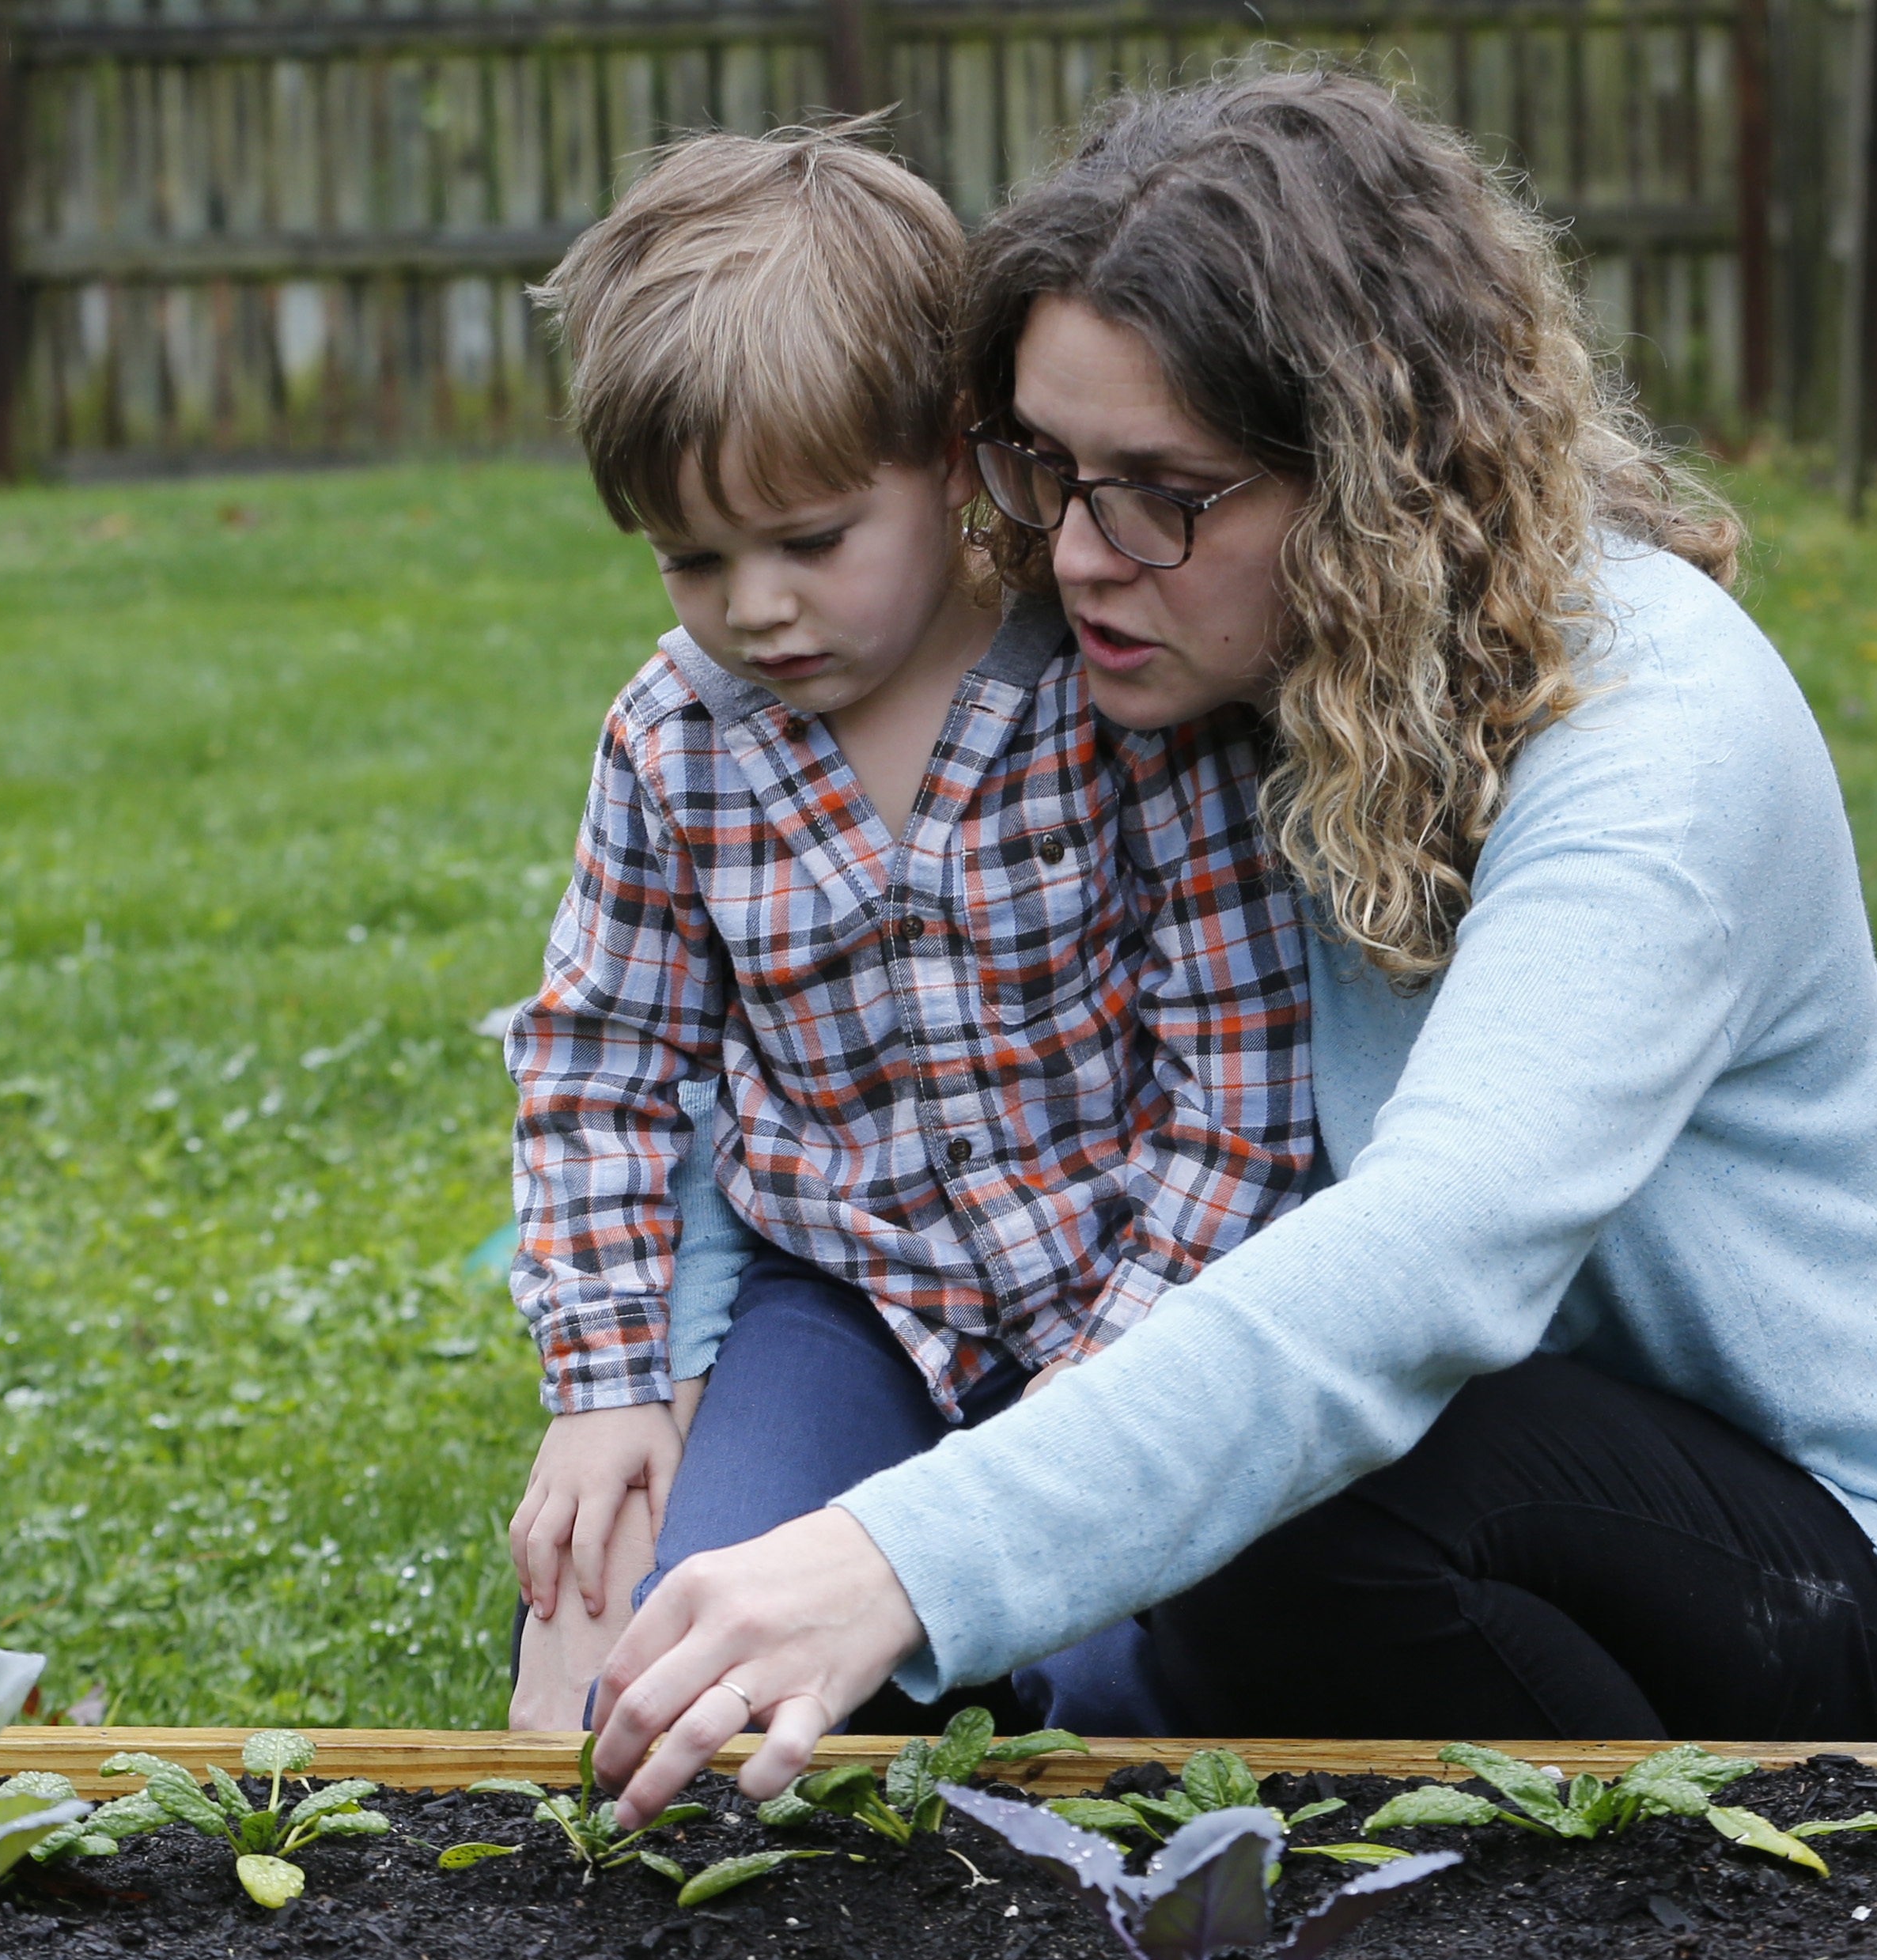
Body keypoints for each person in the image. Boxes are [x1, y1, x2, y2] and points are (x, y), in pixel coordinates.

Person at [582, 64, 1877, 1826]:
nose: (1071, 555)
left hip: (1835, 1589)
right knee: (1229, 1536)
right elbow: (730, 1021)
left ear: (1366, 476)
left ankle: (1665, 1927)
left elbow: (1425, 1261)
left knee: (1299, 1516)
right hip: (1473, 1480)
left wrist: (894, 1561)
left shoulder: (1650, 744)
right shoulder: (1230, 674)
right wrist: (650, 1389)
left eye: (1157, 490)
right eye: (1046, 470)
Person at [501, 124, 1323, 1730]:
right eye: (691, 557)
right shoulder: (676, 746)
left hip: (1118, 1307)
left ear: (952, 455)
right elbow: (598, 1069)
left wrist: (1108, 1392)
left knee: (1129, 1696)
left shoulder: (1113, 690)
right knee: (679, 1665)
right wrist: (601, 1387)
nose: (755, 607)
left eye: (808, 539)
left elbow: (1241, 1089)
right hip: (849, 1311)